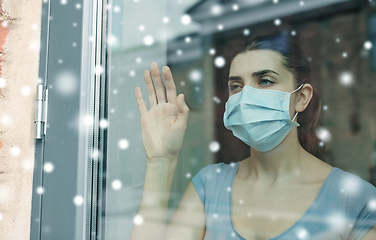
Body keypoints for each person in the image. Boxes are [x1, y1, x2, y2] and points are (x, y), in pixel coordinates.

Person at [131, 35, 376, 240]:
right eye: (236, 86)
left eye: (265, 81)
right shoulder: (209, 186)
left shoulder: (355, 200)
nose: (246, 96)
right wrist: (160, 161)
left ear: (301, 98)